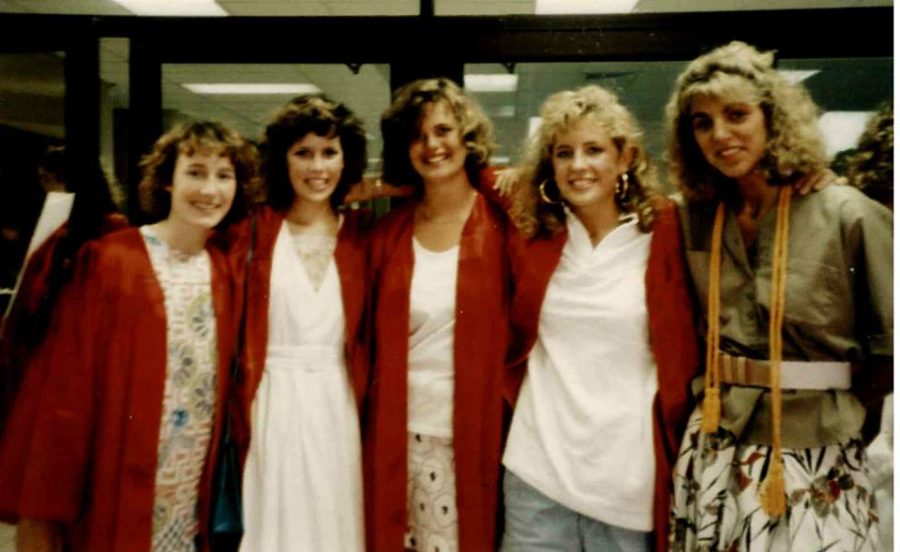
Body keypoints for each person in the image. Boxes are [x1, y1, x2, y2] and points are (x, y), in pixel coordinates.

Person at [665, 41, 892, 551]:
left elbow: (890, 355)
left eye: (737, 114)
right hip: (715, 447)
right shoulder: (691, 217)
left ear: (774, 119)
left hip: (814, 450)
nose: (720, 134)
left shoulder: (846, 213)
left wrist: (838, 411)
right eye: (702, 123)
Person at [0, 120, 258, 551]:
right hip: (121, 466)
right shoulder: (112, 260)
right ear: (167, 182)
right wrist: (43, 508)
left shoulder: (225, 265)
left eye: (223, 175)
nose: (209, 189)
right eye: (195, 171)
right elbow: (66, 386)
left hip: (194, 474)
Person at [494, 85, 697, 552]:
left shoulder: (665, 230)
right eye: (564, 153)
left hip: (627, 478)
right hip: (537, 472)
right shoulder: (534, 233)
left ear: (625, 157)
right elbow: (450, 174)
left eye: (594, 150)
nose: (578, 165)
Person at [363, 77, 510, 552]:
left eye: (444, 130)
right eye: (417, 135)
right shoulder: (388, 233)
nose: (431, 145)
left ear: (468, 137)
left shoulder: (503, 223)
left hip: (470, 434)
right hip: (396, 432)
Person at [231, 94, 369, 551]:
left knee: (333, 517)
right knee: (275, 519)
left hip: (337, 400)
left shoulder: (364, 235)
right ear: (282, 159)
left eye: (330, 152)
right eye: (303, 153)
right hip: (271, 399)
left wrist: (381, 187)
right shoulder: (252, 231)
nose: (318, 167)